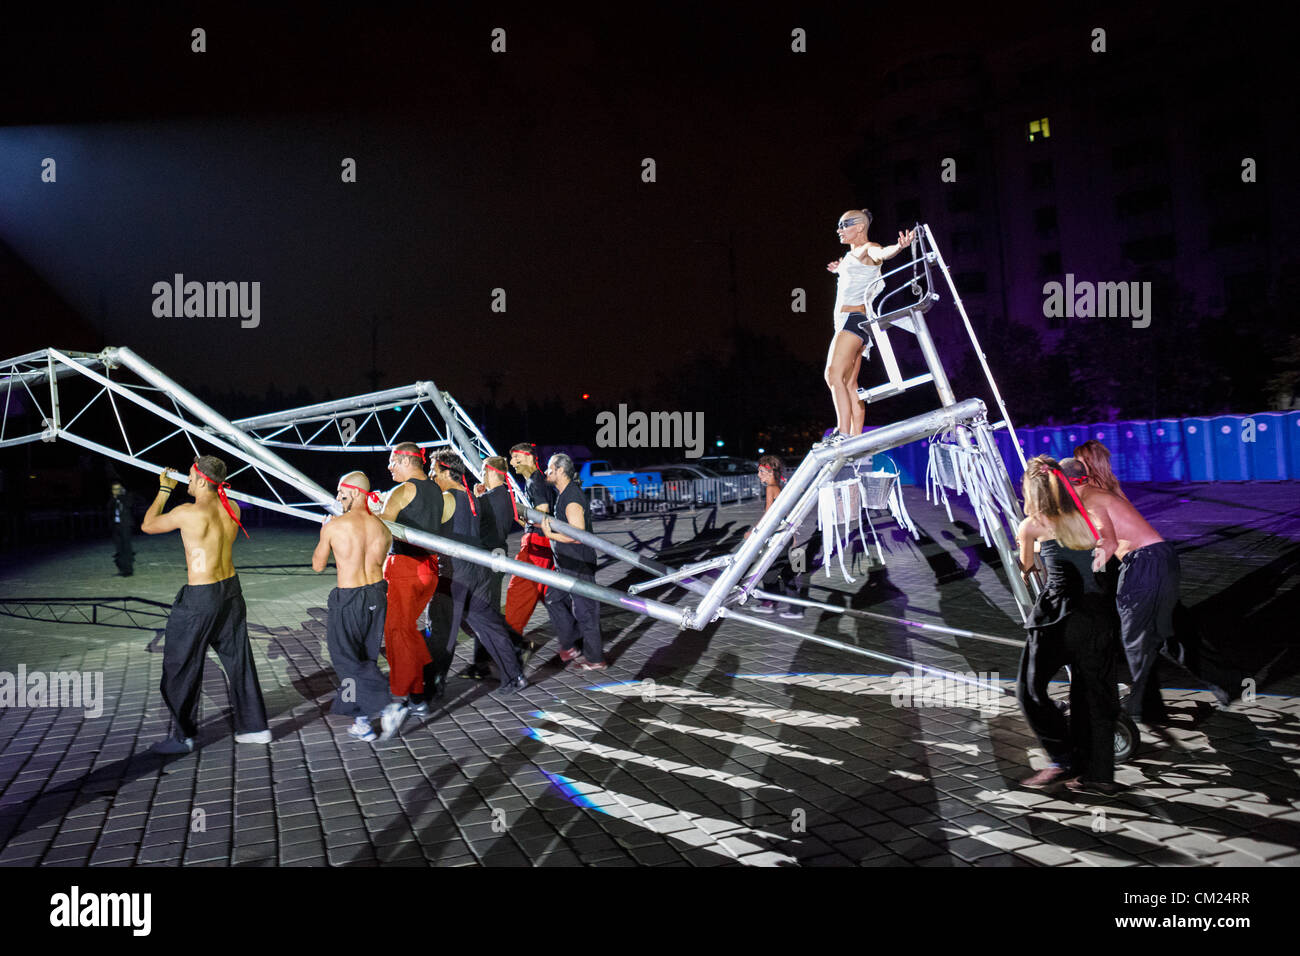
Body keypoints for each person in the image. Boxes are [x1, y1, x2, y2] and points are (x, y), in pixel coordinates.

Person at [1065, 444, 1221, 722]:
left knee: (1138, 637)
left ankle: (1143, 711)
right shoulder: (1108, 490)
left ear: (1087, 465)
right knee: (1171, 633)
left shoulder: (1093, 496)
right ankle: (1228, 683)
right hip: (1159, 558)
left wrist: (1091, 572)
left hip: (1144, 563)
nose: (1078, 468)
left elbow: (1109, 541)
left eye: (1079, 463)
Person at [140, 456, 270, 754]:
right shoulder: (231, 507)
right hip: (231, 591)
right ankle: (256, 728)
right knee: (239, 661)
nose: (186, 480)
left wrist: (163, 489)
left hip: (201, 595)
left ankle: (182, 737)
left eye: (189, 475)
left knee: (179, 665)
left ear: (200, 480)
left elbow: (147, 525)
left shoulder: (188, 512)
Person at [1015, 456, 1122, 795]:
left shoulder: (1032, 524)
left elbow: (1026, 566)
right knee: (1093, 696)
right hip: (1100, 616)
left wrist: (1026, 562)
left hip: (1062, 616)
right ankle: (1099, 775)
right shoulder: (1089, 517)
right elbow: (1109, 551)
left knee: (1030, 689)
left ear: (1032, 490)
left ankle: (1061, 757)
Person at [424, 452, 528, 696]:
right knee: (488, 626)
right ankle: (515, 676)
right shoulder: (470, 495)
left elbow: (428, 533)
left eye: (434, 471)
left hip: (455, 574)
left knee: (440, 631)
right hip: (477, 571)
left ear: (446, 470)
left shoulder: (447, 497)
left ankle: (431, 687)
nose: (430, 476)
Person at [311, 471, 393, 743]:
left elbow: (318, 565)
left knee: (344, 658)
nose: (338, 497)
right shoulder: (383, 528)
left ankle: (389, 701)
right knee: (365, 658)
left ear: (355, 492)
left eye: (341, 492)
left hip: (349, 598)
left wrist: (324, 534)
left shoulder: (335, 525)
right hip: (377, 595)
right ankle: (363, 722)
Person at [825, 210, 916, 439]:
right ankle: (856, 439)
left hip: (853, 322)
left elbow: (881, 253)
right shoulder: (850, 256)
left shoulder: (867, 248)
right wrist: (840, 269)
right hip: (859, 325)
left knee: (833, 374)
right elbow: (856, 277)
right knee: (850, 384)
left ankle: (843, 434)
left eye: (844, 225)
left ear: (859, 227)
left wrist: (899, 247)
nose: (839, 230)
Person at [376, 443, 442, 738]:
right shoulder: (435, 489)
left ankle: (399, 698)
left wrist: (369, 510)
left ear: (405, 461)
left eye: (392, 462)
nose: (389, 467)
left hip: (404, 567)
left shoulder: (402, 490)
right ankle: (418, 695)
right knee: (408, 631)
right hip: (428, 569)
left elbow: (381, 527)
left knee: (396, 633)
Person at [460, 455, 533, 680]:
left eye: (483, 469)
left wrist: (476, 497)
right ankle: (482, 662)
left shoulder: (488, 499)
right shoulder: (504, 496)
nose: (481, 473)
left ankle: (515, 643)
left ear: (491, 471)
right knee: (484, 610)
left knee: (478, 611)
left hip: (486, 560)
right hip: (498, 556)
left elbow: (473, 522)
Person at [541, 453, 605, 670]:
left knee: (586, 611)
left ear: (560, 470)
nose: (546, 471)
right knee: (553, 598)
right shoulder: (563, 494)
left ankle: (595, 659)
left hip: (577, 563)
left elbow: (578, 535)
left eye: (550, 468)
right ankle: (571, 644)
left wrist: (551, 536)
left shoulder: (571, 497)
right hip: (565, 564)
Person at [502, 442, 555, 637]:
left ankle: (510, 638)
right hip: (541, 542)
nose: (512, 462)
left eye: (517, 457)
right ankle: (573, 641)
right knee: (548, 595)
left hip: (537, 544)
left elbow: (543, 513)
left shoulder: (535, 481)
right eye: (511, 458)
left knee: (519, 590)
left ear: (530, 457)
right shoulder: (535, 480)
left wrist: (528, 519)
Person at [749, 456, 804, 619]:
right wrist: (792, 534)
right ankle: (786, 606)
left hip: (778, 537)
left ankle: (775, 604)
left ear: (770, 471)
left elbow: (768, 513)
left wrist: (755, 530)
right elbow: (786, 513)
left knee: (769, 571)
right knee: (784, 572)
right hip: (782, 536)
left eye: (761, 471)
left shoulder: (771, 487)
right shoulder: (778, 486)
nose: (759, 475)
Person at [109, 481, 135, 576]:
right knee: (119, 548)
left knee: (126, 548)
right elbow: (108, 508)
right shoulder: (113, 499)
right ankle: (122, 569)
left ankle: (128, 570)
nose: (116, 491)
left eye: (118, 489)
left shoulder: (127, 497)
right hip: (116, 525)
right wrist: (114, 498)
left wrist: (120, 496)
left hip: (126, 526)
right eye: (114, 489)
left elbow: (129, 504)